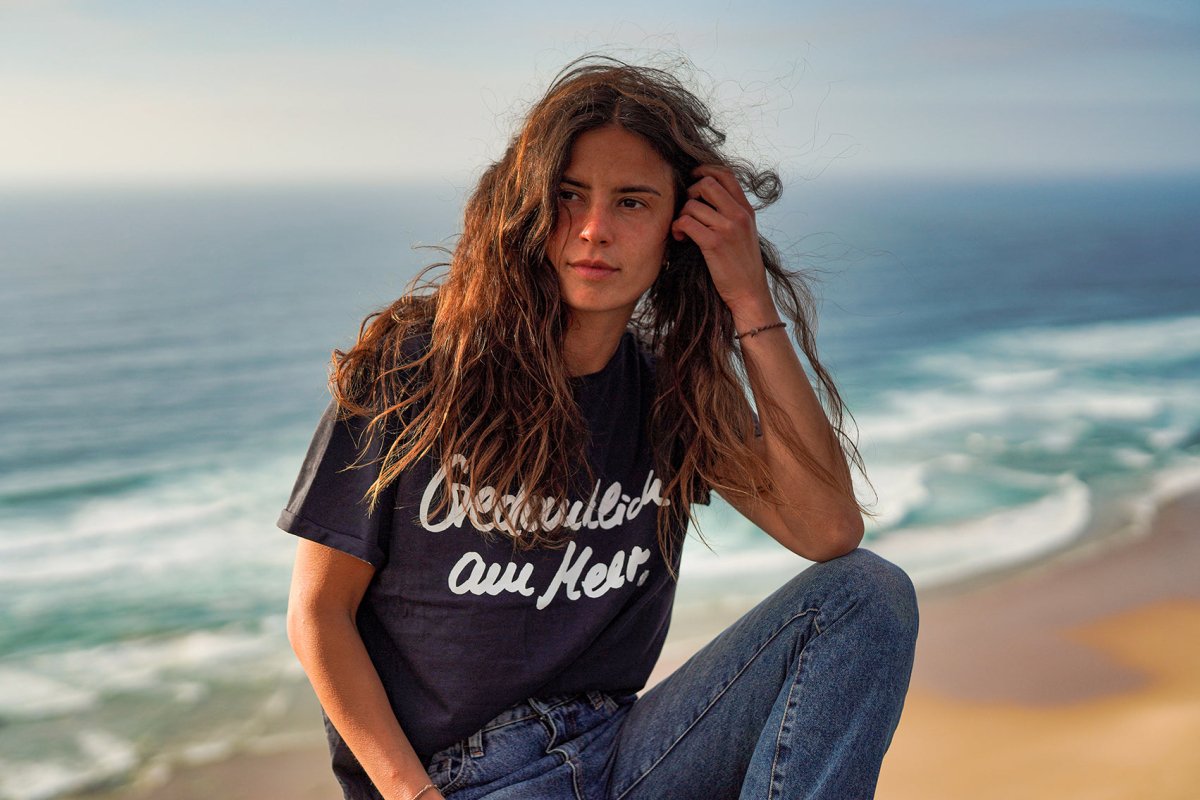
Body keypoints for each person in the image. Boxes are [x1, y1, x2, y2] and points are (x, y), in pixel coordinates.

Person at [280, 56, 918, 800]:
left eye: (632, 203)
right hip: (462, 781)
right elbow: (319, 615)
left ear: (679, 228)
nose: (593, 231)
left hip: (622, 755)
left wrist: (746, 293)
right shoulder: (414, 368)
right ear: (525, 207)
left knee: (865, 596)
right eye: (568, 197)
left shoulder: (673, 392)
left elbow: (830, 530)